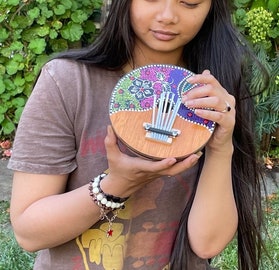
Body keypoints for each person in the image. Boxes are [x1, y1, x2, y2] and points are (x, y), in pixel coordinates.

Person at [8, 0, 265, 269]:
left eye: (189, 2)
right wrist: (115, 186)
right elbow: (28, 232)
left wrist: (221, 148)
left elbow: (207, 244)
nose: (167, 16)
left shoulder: (213, 96)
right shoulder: (68, 82)